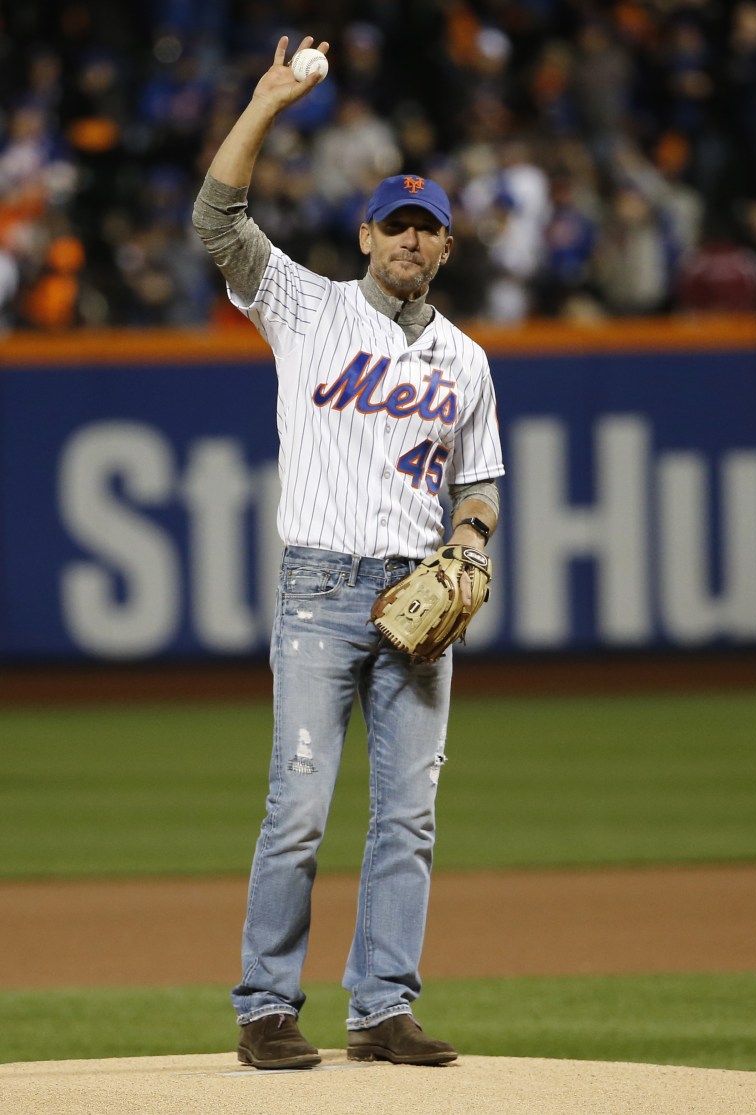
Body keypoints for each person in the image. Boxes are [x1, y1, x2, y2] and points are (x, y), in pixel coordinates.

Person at [192, 34, 504, 1071]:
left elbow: (480, 481)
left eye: (430, 228)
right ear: (366, 233)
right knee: (299, 809)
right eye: (398, 223)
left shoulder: (465, 360)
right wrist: (267, 102)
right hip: (319, 591)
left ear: (446, 249)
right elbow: (216, 221)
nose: (412, 239)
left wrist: (468, 538)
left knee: (407, 819)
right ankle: (265, 1004)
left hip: (416, 598)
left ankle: (381, 1006)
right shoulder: (307, 305)